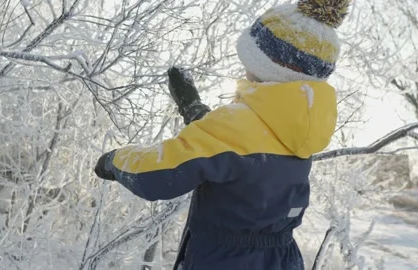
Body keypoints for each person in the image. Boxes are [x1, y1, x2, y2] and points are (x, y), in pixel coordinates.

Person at [94, 0, 350, 269]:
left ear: (266, 66)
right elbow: (241, 148)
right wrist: (195, 111)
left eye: (248, 63)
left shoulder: (233, 126)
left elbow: (159, 175)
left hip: (224, 259)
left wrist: (115, 160)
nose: (244, 71)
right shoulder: (304, 124)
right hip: (281, 257)